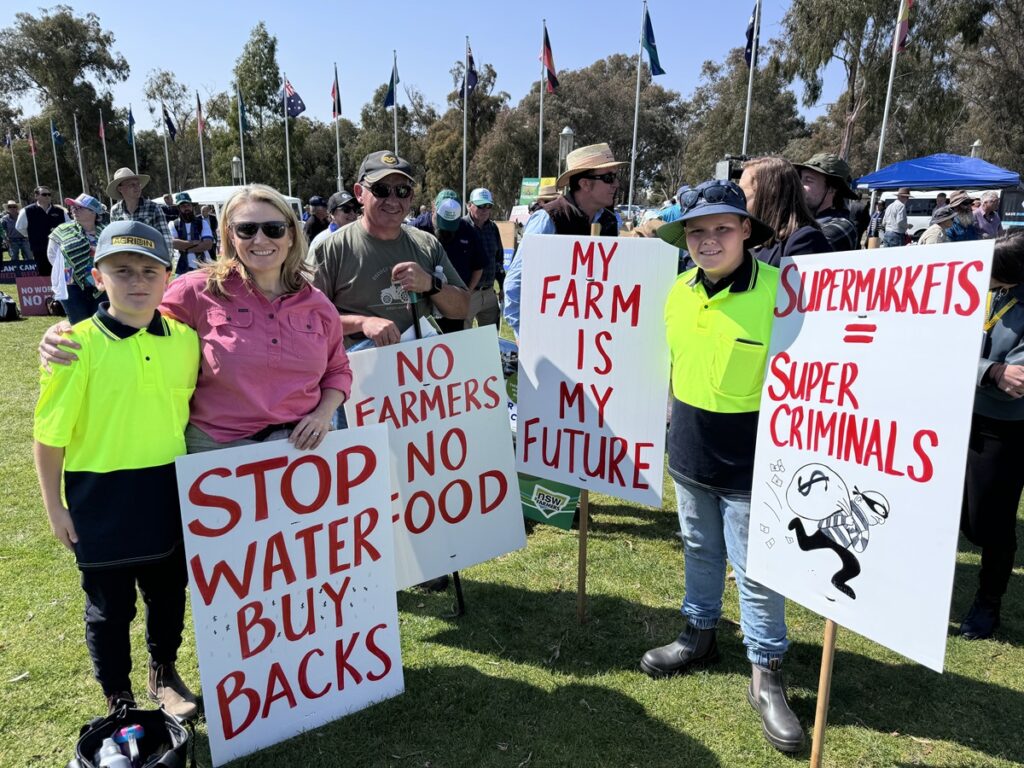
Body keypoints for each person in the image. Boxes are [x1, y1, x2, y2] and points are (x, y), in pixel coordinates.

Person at [646, 179, 803, 753]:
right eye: (697, 231)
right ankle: (699, 633)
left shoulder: (781, 293)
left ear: (745, 233)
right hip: (688, 448)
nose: (709, 240)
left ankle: (765, 670)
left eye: (721, 229)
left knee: (756, 568)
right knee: (699, 548)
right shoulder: (679, 289)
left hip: (754, 457)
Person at [40, 184, 353, 455]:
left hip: (304, 448)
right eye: (247, 229)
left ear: (290, 235)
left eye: (273, 229)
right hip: (216, 450)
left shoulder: (317, 304)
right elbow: (131, 318)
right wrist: (67, 333)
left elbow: (338, 370)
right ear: (230, 235)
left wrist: (324, 414)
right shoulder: (197, 289)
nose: (260, 239)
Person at [33, 220, 200, 718]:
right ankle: (118, 696)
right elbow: (49, 436)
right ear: (98, 277)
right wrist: (54, 508)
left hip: (168, 489)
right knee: (110, 609)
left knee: (169, 594)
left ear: (168, 276)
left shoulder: (187, 340)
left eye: (150, 270)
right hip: (98, 496)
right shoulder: (75, 345)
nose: (137, 281)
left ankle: (164, 671)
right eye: (121, 270)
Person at [312, 150, 469, 348]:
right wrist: (362, 323)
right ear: (360, 193)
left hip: (419, 371)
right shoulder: (330, 249)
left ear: (411, 196)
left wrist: (430, 284)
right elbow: (306, 321)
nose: (393, 200)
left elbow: (462, 308)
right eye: (381, 189)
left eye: (402, 190)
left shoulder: (427, 245)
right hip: (357, 374)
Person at [957, 230, 1024, 640]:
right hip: (956, 415)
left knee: (991, 522)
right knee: (950, 512)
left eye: (993, 276)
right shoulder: (983, 289)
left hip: (1003, 426)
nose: (983, 279)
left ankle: (989, 601)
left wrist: (988, 371)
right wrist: (991, 370)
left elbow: (1016, 380)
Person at [504, 143, 625, 338]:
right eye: (609, 177)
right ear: (585, 184)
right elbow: (515, 284)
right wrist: (525, 336)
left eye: (615, 177)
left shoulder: (608, 221)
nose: (616, 184)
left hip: (590, 339)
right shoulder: (548, 219)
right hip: (550, 337)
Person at [413, 190, 485, 334]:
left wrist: (466, 293)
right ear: (434, 208)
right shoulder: (416, 229)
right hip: (423, 308)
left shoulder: (468, 231)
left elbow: (479, 266)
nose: (446, 231)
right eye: (443, 223)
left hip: (452, 306)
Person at [738, 156, 832, 265]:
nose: (736, 197)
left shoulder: (804, 241)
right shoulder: (745, 238)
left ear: (768, 195)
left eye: (741, 191)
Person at [48, 194, 107, 322]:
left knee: (100, 323)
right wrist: (66, 272)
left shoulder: (107, 232)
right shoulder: (62, 230)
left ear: (93, 212)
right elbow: (52, 255)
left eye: (80, 208)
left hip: (102, 286)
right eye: (73, 207)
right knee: (78, 324)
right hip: (71, 286)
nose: (74, 210)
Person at [794, 152, 860, 252]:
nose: (800, 186)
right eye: (801, 179)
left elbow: (804, 246)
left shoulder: (842, 226)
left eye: (808, 180)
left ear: (832, 188)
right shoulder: (803, 219)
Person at [107, 168, 173, 256]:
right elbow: (114, 240)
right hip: (125, 262)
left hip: (149, 259)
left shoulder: (153, 208)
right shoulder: (115, 211)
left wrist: (166, 260)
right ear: (120, 189)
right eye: (132, 185)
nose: (137, 187)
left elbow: (166, 238)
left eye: (138, 184)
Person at [464, 187, 502, 328]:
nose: (485, 209)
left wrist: (502, 286)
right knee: (461, 338)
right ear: (469, 205)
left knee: (490, 340)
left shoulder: (493, 228)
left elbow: (498, 260)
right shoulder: (461, 227)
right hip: (468, 294)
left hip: (489, 293)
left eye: (488, 206)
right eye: (480, 206)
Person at [16, 186, 67, 277]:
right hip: (39, 249)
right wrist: (33, 235)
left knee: (60, 274)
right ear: (36, 196)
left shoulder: (60, 211)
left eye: (49, 194)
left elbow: (69, 226)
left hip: (59, 249)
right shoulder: (27, 211)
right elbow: (20, 227)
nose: (47, 196)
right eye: (44, 194)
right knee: (44, 274)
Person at [169, 192, 214, 274]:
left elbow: (208, 244)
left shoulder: (202, 223)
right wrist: (194, 242)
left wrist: (185, 249)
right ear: (178, 208)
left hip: (204, 266)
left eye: (188, 205)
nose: (186, 208)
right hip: (182, 268)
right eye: (183, 206)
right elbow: (173, 243)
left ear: (192, 207)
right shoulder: (173, 224)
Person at [308, 191, 362, 255]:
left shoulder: (362, 236)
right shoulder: (321, 242)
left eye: (355, 208)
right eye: (346, 209)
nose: (353, 213)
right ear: (332, 214)